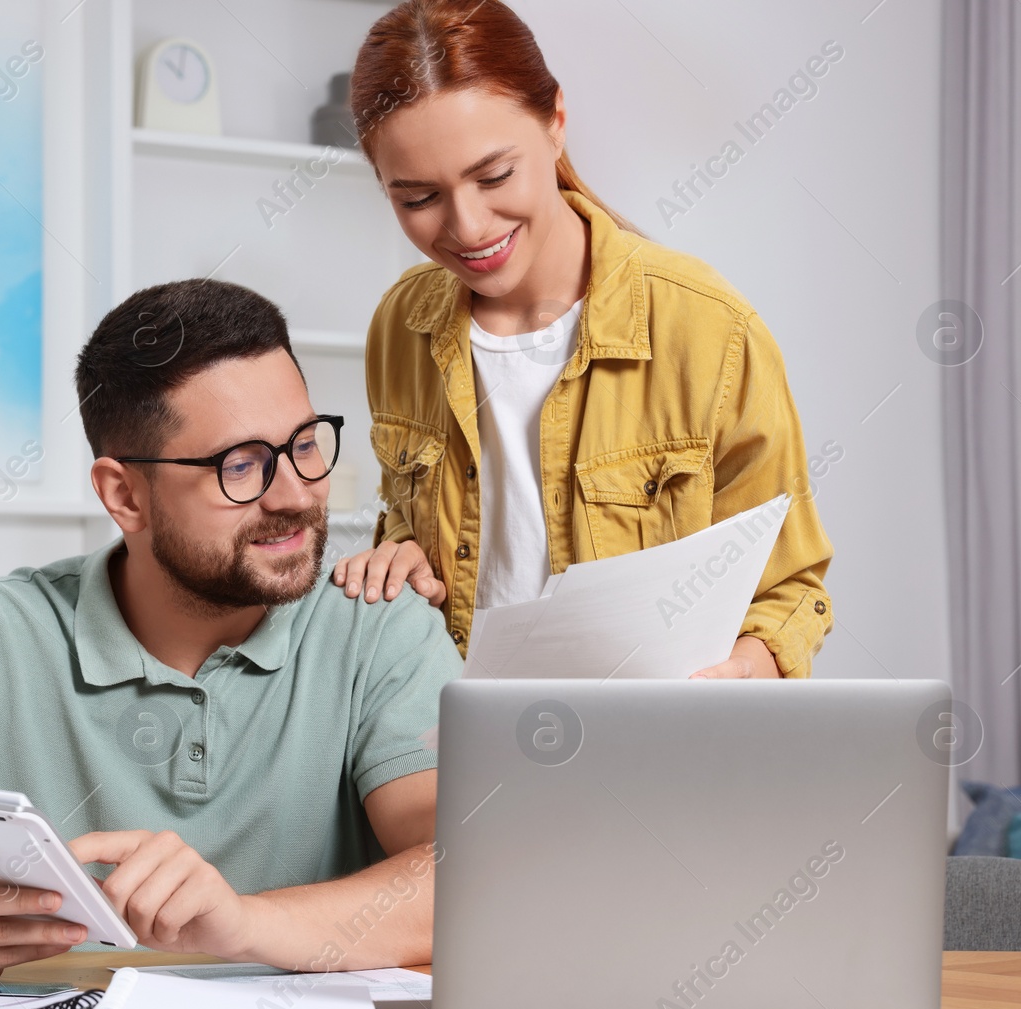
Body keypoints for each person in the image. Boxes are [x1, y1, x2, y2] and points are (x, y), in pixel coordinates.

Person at [0, 280, 459, 984]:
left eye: (304, 444)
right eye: (241, 465)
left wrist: (243, 922)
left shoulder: (378, 624)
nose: (296, 494)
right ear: (124, 494)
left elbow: (468, 871)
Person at [331, 0, 835, 679]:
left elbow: (790, 589)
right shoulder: (400, 327)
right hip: (460, 744)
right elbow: (415, 526)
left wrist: (746, 669)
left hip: (646, 752)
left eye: (493, 175)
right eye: (418, 198)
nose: (469, 225)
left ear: (556, 123)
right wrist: (400, 556)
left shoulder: (709, 328)